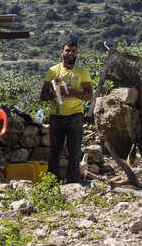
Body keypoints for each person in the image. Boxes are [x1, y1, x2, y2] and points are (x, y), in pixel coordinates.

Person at [40, 41, 93, 183]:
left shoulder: (83, 72)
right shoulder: (53, 71)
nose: (71, 53)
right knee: (54, 153)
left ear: (77, 54)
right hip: (56, 116)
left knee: (75, 153)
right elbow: (43, 96)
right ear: (62, 52)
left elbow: (89, 96)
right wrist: (56, 93)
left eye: (74, 51)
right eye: (68, 51)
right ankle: (52, 183)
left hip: (75, 116)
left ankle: (72, 182)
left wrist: (71, 90)